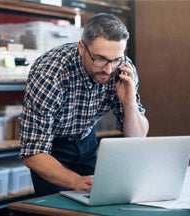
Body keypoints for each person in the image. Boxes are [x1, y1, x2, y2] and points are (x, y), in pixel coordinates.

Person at [19, 13, 149, 197]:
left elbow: (137, 137)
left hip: (86, 140)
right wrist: (76, 181)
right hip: (50, 150)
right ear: (82, 47)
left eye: (116, 59)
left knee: (100, 202)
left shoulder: (123, 69)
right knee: (58, 209)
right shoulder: (50, 73)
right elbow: (33, 153)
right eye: (100, 59)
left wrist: (130, 103)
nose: (108, 69)